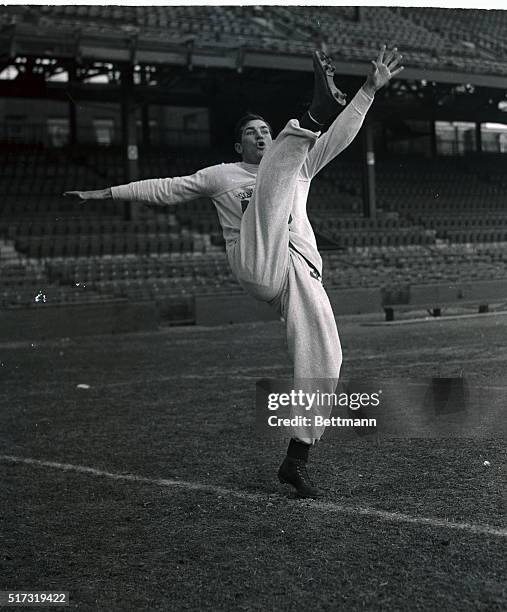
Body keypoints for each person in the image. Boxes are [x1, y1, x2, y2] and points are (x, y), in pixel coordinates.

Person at [64, 46, 404, 498]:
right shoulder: (223, 175)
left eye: (266, 131)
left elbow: (341, 136)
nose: (261, 137)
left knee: (328, 359)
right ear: (238, 144)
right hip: (257, 258)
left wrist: (367, 89)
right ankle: (313, 112)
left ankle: (296, 458)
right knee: (271, 186)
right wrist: (105, 193)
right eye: (252, 133)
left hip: (298, 273)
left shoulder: (299, 165)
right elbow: (166, 189)